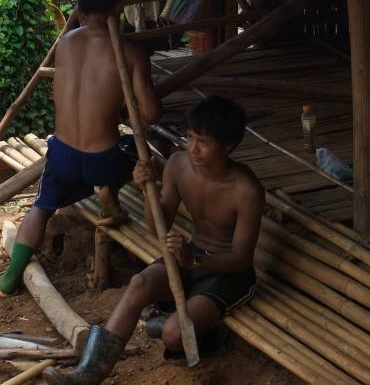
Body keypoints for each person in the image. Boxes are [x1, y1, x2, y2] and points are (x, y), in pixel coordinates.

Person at [44, 96, 264, 385]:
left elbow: (241, 259)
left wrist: (193, 259)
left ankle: (186, 329)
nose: (193, 149)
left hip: (227, 274)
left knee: (174, 335)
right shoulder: (178, 165)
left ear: (228, 146)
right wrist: (148, 190)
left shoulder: (245, 190)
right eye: (190, 137)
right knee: (139, 284)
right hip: (191, 256)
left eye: (204, 143)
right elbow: (158, 224)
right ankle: (89, 373)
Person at [0, 0, 161, 296]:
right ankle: (107, 191)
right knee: (145, 154)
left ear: (81, 13)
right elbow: (152, 115)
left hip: (63, 155)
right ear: (118, 8)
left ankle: (9, 279)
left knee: (42, 207)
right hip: (107, 159)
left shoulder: (65, 43)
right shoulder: (129, 51)